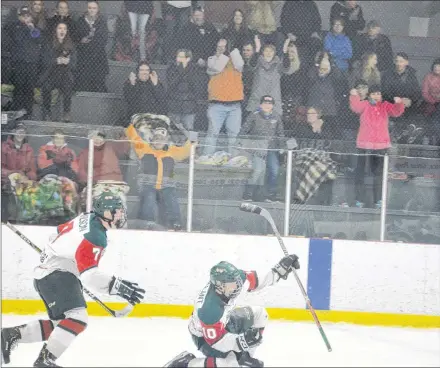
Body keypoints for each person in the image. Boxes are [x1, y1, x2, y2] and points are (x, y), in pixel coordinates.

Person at [1, 192, 145, 367]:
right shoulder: (95, 235)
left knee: (62, 326)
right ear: (104, 213)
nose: (119, 215)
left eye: (120, 211)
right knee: (78, 318)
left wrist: (52, 253)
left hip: (50, 275)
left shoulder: (87, 217)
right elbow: (89, 275)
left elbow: (57, 232)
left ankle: (11, 335)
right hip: (57, 276)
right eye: (114, 211)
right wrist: (118, 287)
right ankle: (45, 361)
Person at [164, 255, 300, 368]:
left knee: (260, 314)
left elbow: (258, 281)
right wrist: (241, 341)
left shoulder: (235, 280)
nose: (237, 287)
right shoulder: (209, 310)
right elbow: (217, 342)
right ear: (220, 286)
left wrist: (279, 271)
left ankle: (244, 358)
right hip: (205, 338)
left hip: (225, 321)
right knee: (230, 365)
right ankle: (187, 363)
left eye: (237, 283)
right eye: (232, 285)